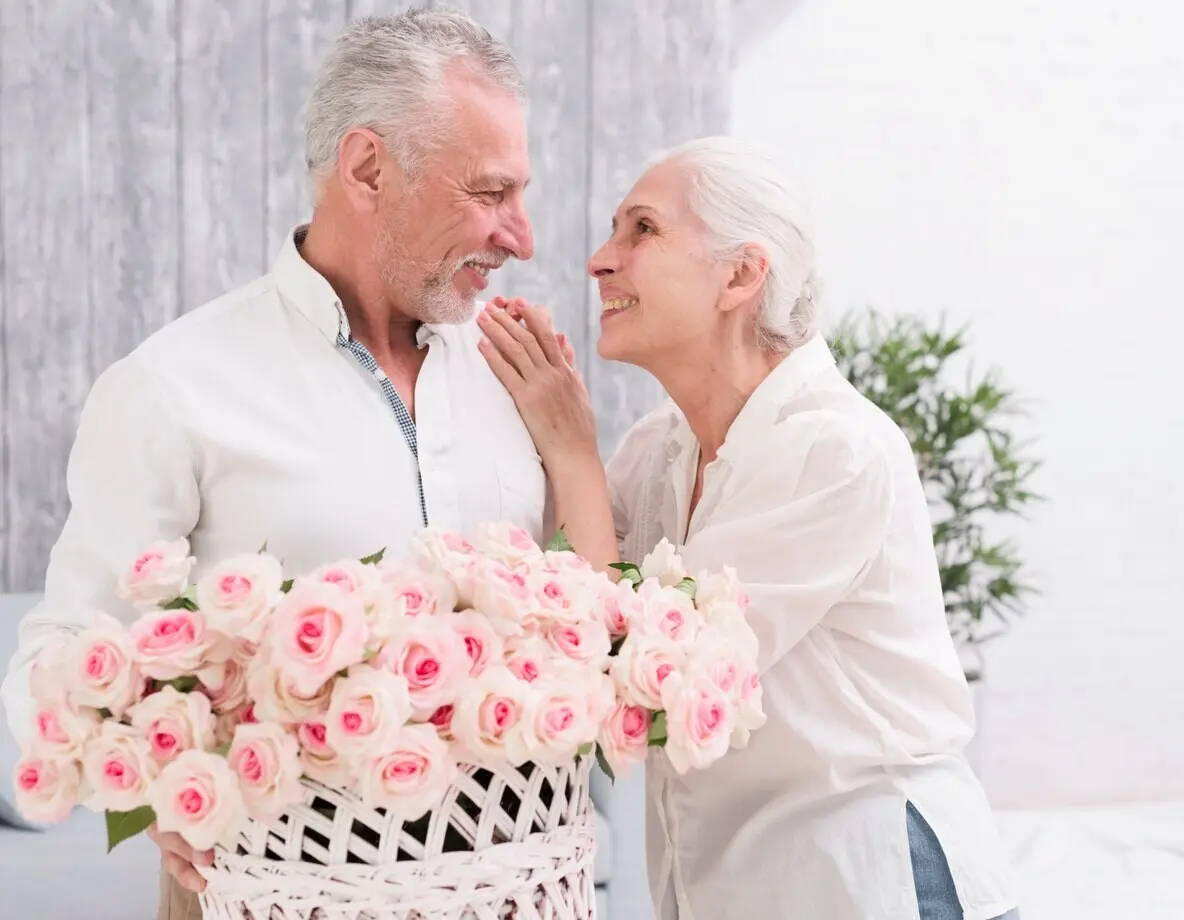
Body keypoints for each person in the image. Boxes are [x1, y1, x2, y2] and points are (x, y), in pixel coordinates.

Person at [1, 11, 541, 919]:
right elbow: (56, 662)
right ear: (367, 167)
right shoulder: (174, 388)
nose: (520, 237)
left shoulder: (514, 376)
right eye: (490, 194)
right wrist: (142, 785)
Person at [476, 136, 1021, 920]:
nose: (600, 259)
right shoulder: (657, 450)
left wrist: (570, 449)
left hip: (877, 887)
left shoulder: (835, 450)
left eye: (643, 230)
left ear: (740, 273)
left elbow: (647, 676)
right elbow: (566, 607)